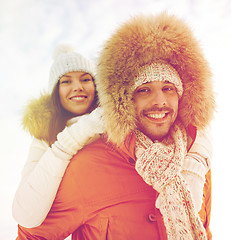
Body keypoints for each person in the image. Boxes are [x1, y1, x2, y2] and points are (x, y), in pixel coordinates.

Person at [17, 12, 215, 240]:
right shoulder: (86, 163)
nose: (160, 100)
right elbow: (30, 232)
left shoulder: (196, 161)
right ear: (124, 99)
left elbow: (204, 229)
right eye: (144, 89)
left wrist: (196, 162)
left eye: (169, 88)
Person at [12, 45, 104, 228]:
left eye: (85, 79)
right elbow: (25, 214)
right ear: (55, 91)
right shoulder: (44, 139)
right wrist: (74, 137)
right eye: (66, 81)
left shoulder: (119, 124)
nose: (77, 87)